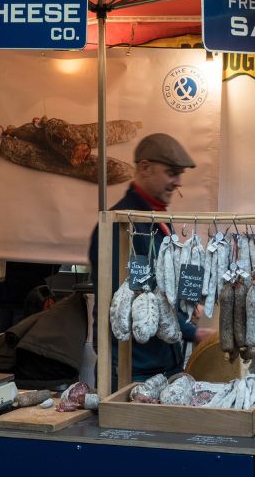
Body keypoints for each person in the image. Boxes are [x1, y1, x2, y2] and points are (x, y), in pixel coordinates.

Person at [88, 133, 215, 382]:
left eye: (179, 174)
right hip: (131, 368)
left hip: (165, 362)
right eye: (171, 172)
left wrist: (188, 300)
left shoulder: (155, 220)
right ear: (145, 168)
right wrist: (191, 331)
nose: (178, 182)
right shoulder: (121, 227)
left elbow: (161, 282)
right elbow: (132, 295)